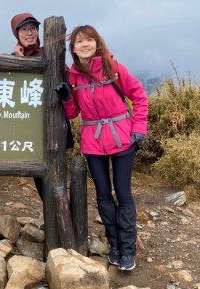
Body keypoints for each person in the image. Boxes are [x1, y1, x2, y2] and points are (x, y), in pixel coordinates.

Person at [54, 25, 148, 271]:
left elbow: (139, 96)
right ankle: (114, 247)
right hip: (93, 142)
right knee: (103, 195)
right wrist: (65, 97)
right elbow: (74, 113)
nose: (84, 45)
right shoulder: (74, 77)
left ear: (97, 43)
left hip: (122, 138)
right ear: (73, 49)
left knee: (123, 193)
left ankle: (128, 251)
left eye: (89, 40)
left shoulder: (114, 69)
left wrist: (139, 127)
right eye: (79, 42)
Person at [10, 12, 74, 200]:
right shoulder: (13, 57)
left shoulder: (50, 52)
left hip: (54, 122)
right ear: (16, 33)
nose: (29, 33)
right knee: (39, 176)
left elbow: (68, 79)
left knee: (58, 174)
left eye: (33, 28)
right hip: (30, 127)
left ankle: (64, 220)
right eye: (24, 29)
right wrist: (18, 62)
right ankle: (51, 219)